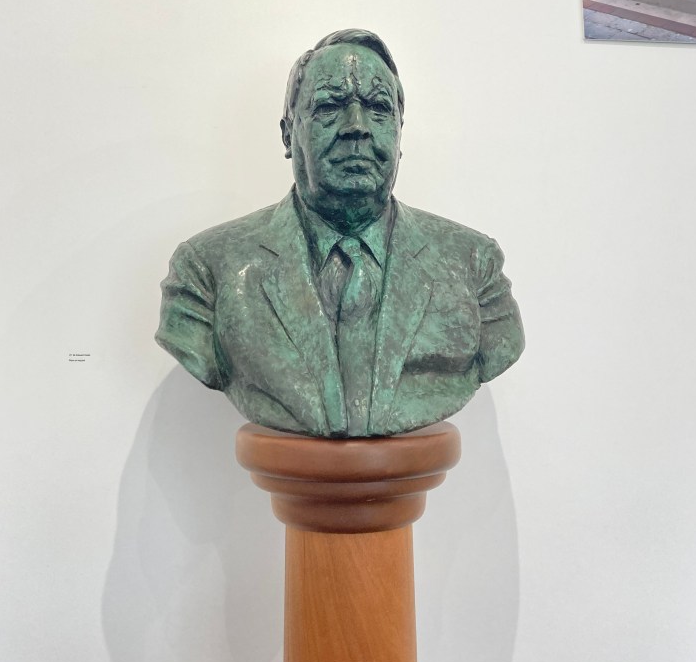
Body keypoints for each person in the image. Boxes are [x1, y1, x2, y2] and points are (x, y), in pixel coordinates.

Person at [156, 30, 524, 437]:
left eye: (378, 108)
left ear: (399, 132)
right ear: (288, 133)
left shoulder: (472, 264)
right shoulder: (208, 270)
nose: (357, 127)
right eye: (330, 106)